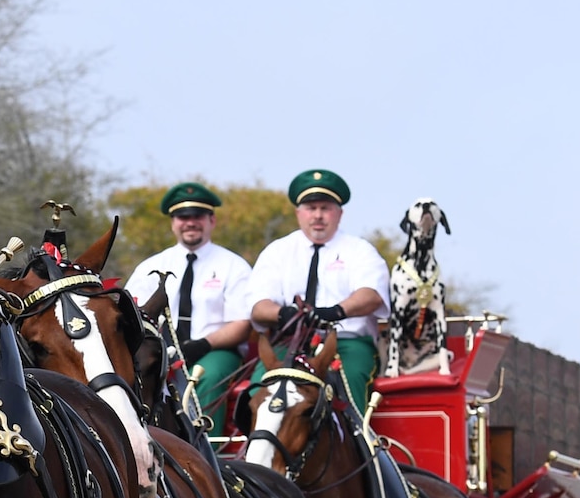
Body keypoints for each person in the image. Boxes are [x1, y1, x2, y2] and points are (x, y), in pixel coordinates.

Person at [248, 170, 391, 417]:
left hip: (347, 342)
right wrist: (285, 313)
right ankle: (255, 452)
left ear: (339, 213)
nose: (318, 215)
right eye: (311, 208)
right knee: (259, 389)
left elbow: (371, 295)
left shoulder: (360, 250)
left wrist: (335, 312)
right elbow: (259, 308)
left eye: (325, 208)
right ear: (298, 213)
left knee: (350, 384)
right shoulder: (277, 251)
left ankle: (359, 448)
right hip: (290, 342)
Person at [125, 183, 253, 428]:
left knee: (204, 378)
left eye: (198, 216)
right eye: (183, 217)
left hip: (215, 350)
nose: (190, 222)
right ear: (173, 223)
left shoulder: (233, 266)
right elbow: (132, 315)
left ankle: (208, 454)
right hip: (160, 349)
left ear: (211, 221)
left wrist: (203, 345)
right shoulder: (151, 266)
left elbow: (242, 324)